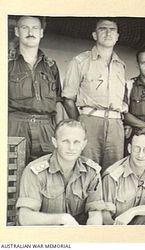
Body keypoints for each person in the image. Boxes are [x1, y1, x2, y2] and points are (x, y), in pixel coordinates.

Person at [62, 18, 126, 174]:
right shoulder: (80, 61)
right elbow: (68, 99)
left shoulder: (121, 66)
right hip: (89, 121)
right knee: (87, 171)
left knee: (114, 172)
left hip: (115, 124)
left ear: (117, 36)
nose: (108, 32)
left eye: (112, 29)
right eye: (102, 29)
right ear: (94, 35)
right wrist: (79, 123)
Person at [16, 119, 104, 226]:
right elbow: (25, 217)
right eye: (65, 141)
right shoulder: (36, 171)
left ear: (84, 144)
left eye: (76, 142)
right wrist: (62, 219)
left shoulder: (92, 172)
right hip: (45, 236)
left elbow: (95, 212)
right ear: (55, 142)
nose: (71, 148)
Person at [8, 15, 62, 163]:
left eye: (35, 28)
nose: (30, 31)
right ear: (17, 32)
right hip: (15, 126)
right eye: (25, 27)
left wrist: (59, 133)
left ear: (41, 33)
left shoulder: (51, 66)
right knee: (13, 176)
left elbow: (57, 102)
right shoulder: (7, 63)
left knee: (46, 175)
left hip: (46, 128)